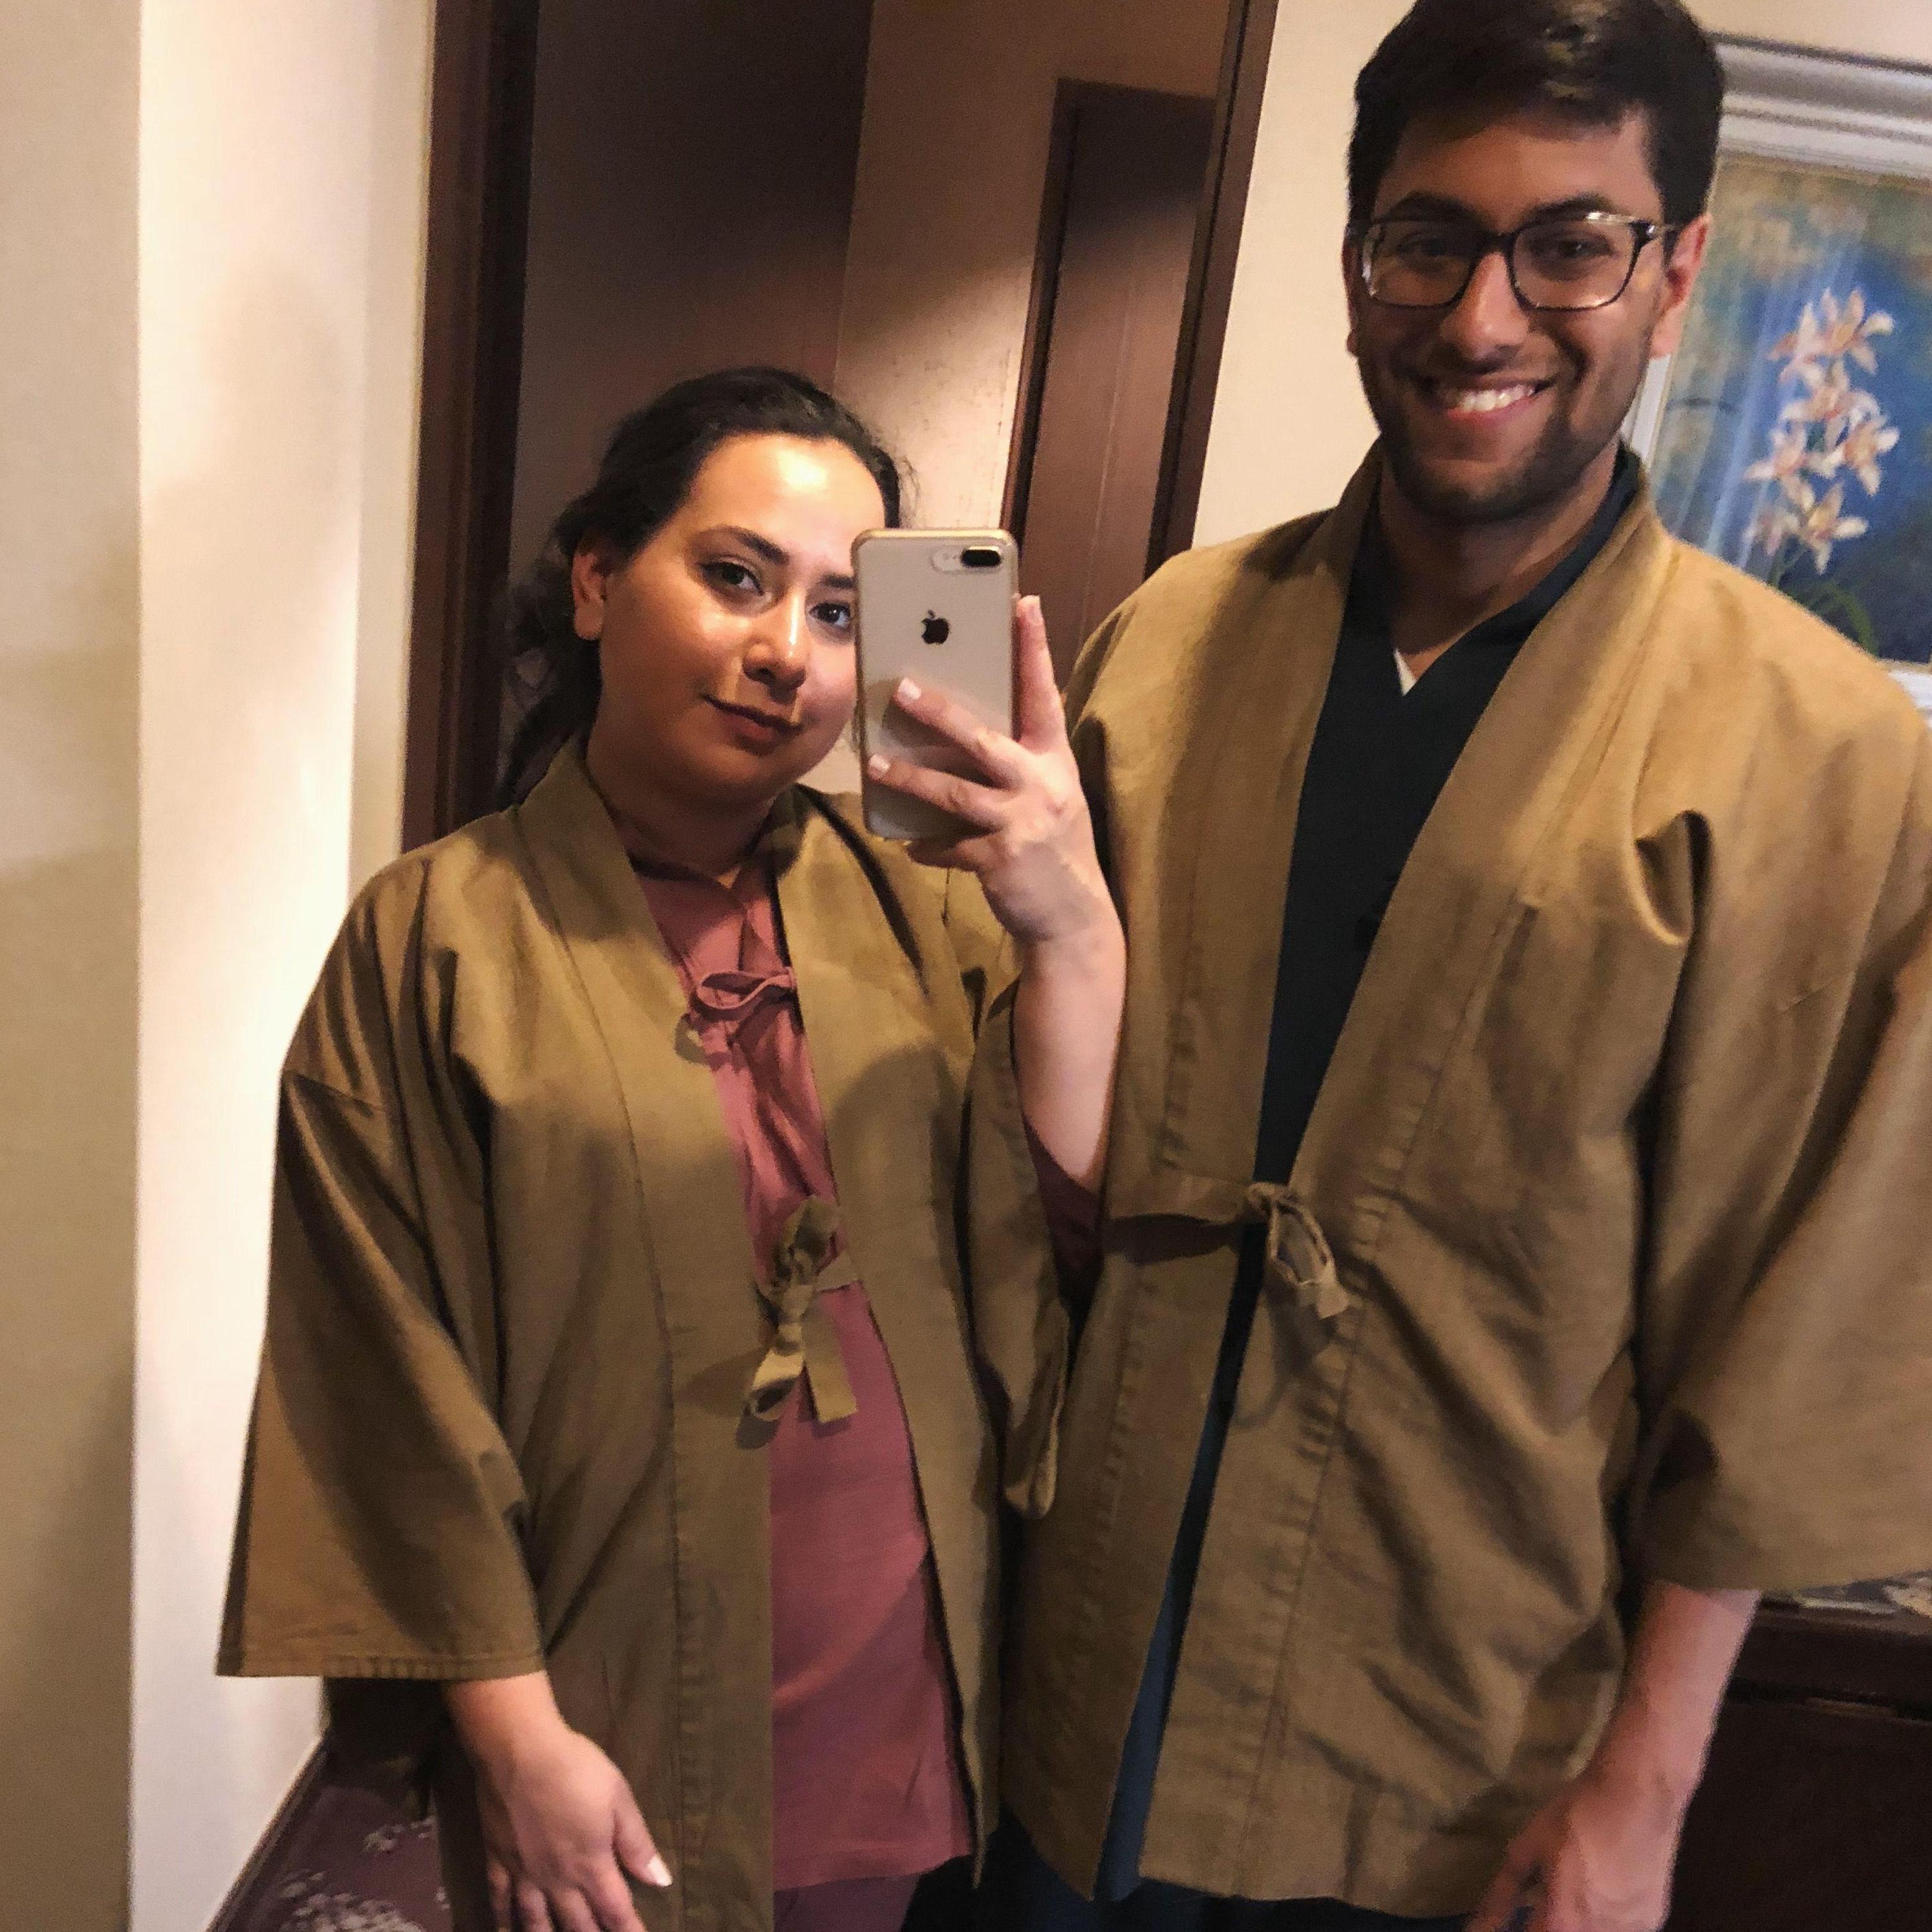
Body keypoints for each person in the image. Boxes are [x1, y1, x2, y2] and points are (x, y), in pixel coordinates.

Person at [961, 3, 1932, 1929]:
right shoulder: (1170, 647)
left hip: (1445, 1732)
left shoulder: (1815, 755)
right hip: (1074, 1652)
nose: (1483, 318)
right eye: (1428, 240)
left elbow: (1801, 1313)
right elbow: (1035, 1148)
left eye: (1569, 245)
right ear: (1356, 268)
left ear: (1675, 274)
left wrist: (1647, 1787)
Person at [219, 367, 1124, 1932]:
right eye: (735, 577)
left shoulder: (930, 912)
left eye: (840, 612)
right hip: (609, 1690)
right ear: (595, 581)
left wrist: (1071, 926)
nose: (787, 654)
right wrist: (514, 1737)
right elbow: (384, 1369)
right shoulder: (437, 937)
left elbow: (1059, 1224)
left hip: (900, 1667)